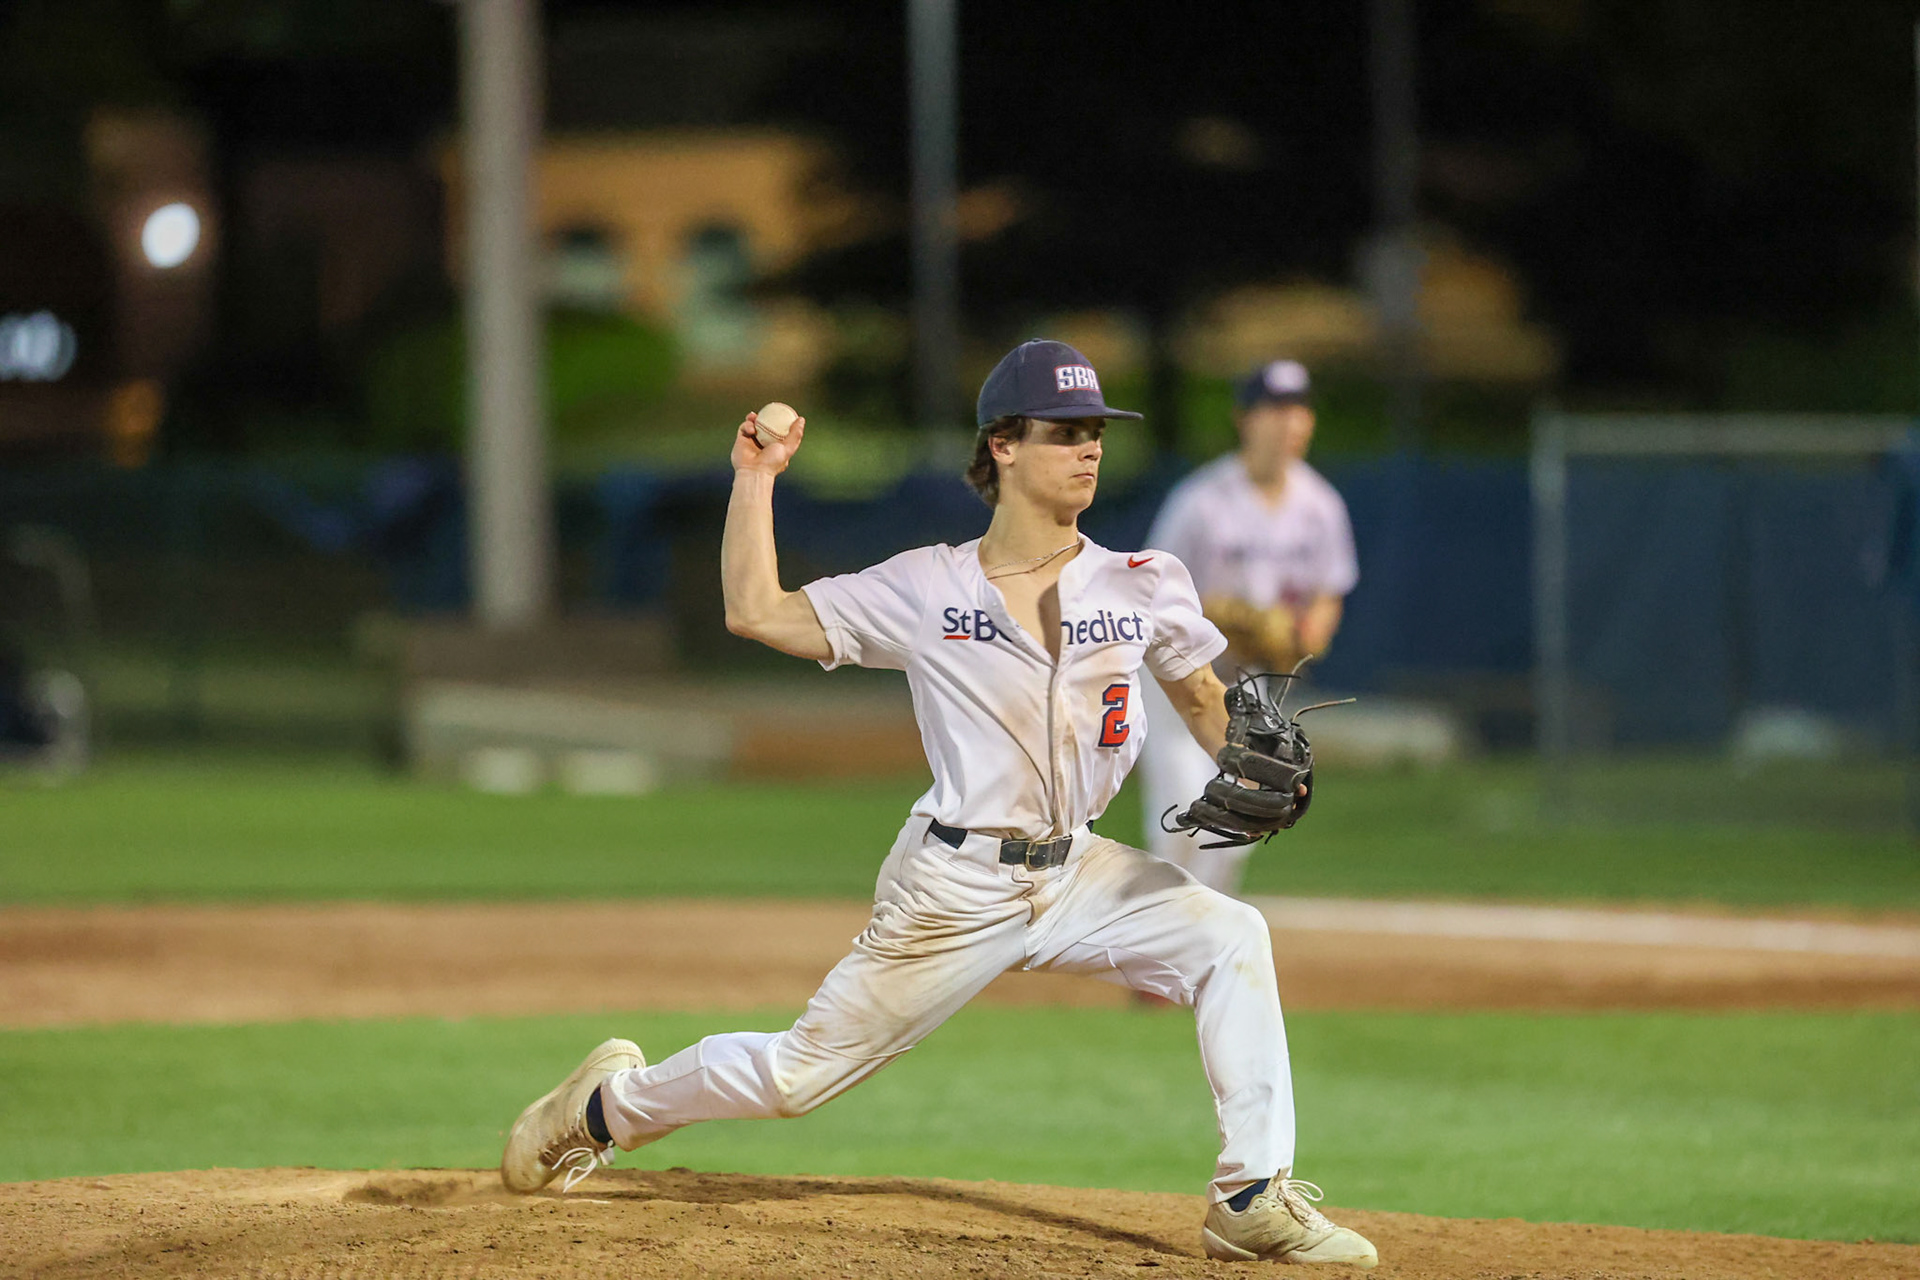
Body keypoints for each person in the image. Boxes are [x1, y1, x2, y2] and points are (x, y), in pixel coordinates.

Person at [498, 340, 1378, 1269]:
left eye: (1096, 434)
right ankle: (604, 1107)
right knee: (797, 1077)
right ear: (1001, 444)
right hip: (956, 883)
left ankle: (1249, 1199)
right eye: (1065, 432)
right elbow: (756, 610)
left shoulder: (1143, 580)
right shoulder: (928, 588)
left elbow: (1204, 700)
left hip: (1078, 868)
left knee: (1231, 935)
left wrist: (1252, 754)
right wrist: (754, 478)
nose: (1090, 450)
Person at [1139, 359, 1358, 896]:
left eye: (1298, 409)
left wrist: (1305, 638)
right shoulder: (1200, 501)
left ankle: (1193, 955)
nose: (1289, 423)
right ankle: (1150, 955)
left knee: (1240, 819)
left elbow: (1329, 593)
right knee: (1184, 812)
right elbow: (1151, 592)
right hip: (1177, 679)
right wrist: (1222, 616)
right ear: (1244, 419)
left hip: (1251, 688)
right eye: (1274, 409)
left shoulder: (1321, 506)